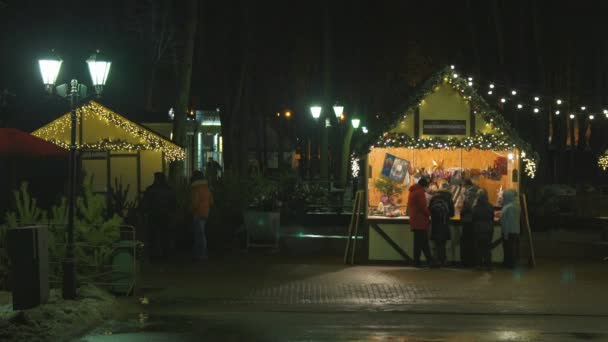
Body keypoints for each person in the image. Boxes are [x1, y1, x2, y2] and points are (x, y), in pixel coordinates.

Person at [141, 172, 176, 262]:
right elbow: (174, 204)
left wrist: (145, 212)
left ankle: (154, 256)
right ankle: (166, 256)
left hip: (153, 216)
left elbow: (145, 204)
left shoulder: (150, 189)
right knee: (166, 237)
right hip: (166, 217)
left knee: (153, 237)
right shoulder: (169, 190)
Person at [407, 177, 435, 267]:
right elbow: (423, 207)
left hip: (415, 220)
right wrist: (430, 214)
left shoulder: (413, 191)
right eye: (427, 187)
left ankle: (423, 261)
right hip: (420, 221)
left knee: (419, 243)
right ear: (424, 186)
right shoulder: (420, 193)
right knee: (422, 243)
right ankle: (425, 262)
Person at [190, 170, 213, 261]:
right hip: (206, 212)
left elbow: (195, 202)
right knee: (201, 234)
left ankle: (201, 254)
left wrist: (190, 210)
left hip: (198, 213)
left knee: (199, 235)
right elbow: (211, 201)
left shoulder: (195, 188)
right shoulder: (207, 187)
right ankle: (200, 254)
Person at [430, 186, 455, 266]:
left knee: (437, 243)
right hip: (444, 223)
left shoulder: (433, 198)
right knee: (442, 243)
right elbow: (452, 214)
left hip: (435, 223)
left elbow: (429, 210)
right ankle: (443, 260)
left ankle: (437, 260)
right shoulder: (448, 199)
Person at [472, 188, 495, 271]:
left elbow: (473, 217)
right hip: (488, 229)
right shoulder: (490, 206)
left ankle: (479, 264)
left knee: (478, 248)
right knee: (487, 248)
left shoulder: (476, 207)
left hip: (478, 229)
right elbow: (492, 217)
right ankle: (488, 265)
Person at [459, 178, 479, 267]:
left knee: (466, 242)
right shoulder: (477, 191)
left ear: (465, 185)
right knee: (473, 242)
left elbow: (467, 207)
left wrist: (462, 212)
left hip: (468, 220)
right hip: (474, 221)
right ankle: (473, 261)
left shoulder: (469, 193)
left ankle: (466, 262)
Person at [500, 189, 521, 268]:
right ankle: (513, 264)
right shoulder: (516, 205)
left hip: (508, 232)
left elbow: (506, 222)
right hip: (516, 231)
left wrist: (505, 233)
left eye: (504, 196)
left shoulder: (508, 207)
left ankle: (509, 264)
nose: (503, 198)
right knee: (514, 249)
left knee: (508, 250)